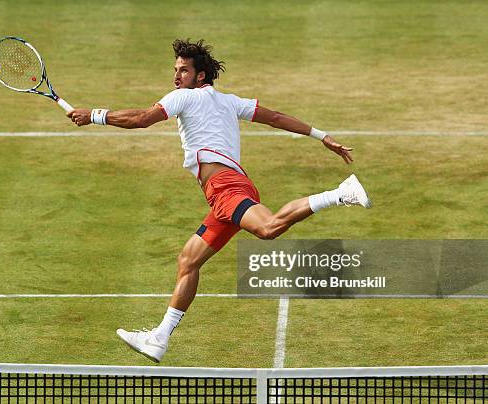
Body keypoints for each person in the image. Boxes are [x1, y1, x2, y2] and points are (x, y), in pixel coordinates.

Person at [67, 39, 372, 363]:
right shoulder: (230, 102)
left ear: (200, 76)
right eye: (175, 70)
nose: (176, 76)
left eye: (183, 70)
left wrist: (95, 115)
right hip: (224, 195)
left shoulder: (183, 96)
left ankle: (341, 193)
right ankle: (159, 339)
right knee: (188, 261)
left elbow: (142, 118)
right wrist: (321, 134)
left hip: (227, 189)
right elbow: (276, 117)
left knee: (268, 229)